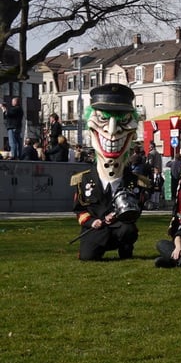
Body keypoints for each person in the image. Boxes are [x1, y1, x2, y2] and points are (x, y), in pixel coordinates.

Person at [71, 84, 148, 261]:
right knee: (88, 257)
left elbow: (138, 207)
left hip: (120, 226)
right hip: (97, 228)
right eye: (102, 119)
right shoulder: (83, 180)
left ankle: (126, 246)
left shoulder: (135, 181)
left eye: (124, 120)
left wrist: (122, 215)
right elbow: (79, 210)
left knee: (128, 230)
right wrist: (92, 222)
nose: (112, 130)